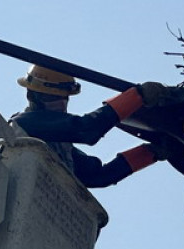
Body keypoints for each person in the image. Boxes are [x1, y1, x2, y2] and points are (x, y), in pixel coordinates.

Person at [9, 65, 169, 188]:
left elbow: (97, 176)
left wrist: (149, 153)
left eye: (64, 97)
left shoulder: (60, 148)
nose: (61, 102)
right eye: (52, 96)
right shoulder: (25, 123)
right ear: (32, 96)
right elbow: (86, 129)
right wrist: (137, 96)